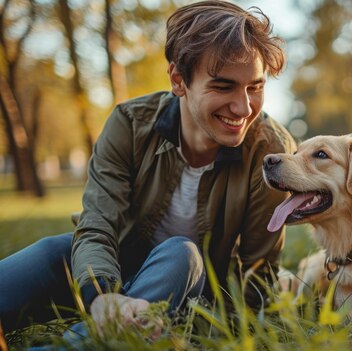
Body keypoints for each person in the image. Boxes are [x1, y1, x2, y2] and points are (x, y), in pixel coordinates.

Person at [0, 0, 295, 338]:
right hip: (114, 273)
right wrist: (103, 296)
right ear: (178, 79)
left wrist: (204, 330)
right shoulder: (130, 124)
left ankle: (86, 342)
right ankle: (107, 322)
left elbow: (257, 277)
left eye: (255, 87)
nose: (243, 107)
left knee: (182, 254)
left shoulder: (269, 153)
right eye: (223, 86)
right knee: (57, 251)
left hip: (189, 294)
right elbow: (97, 226)